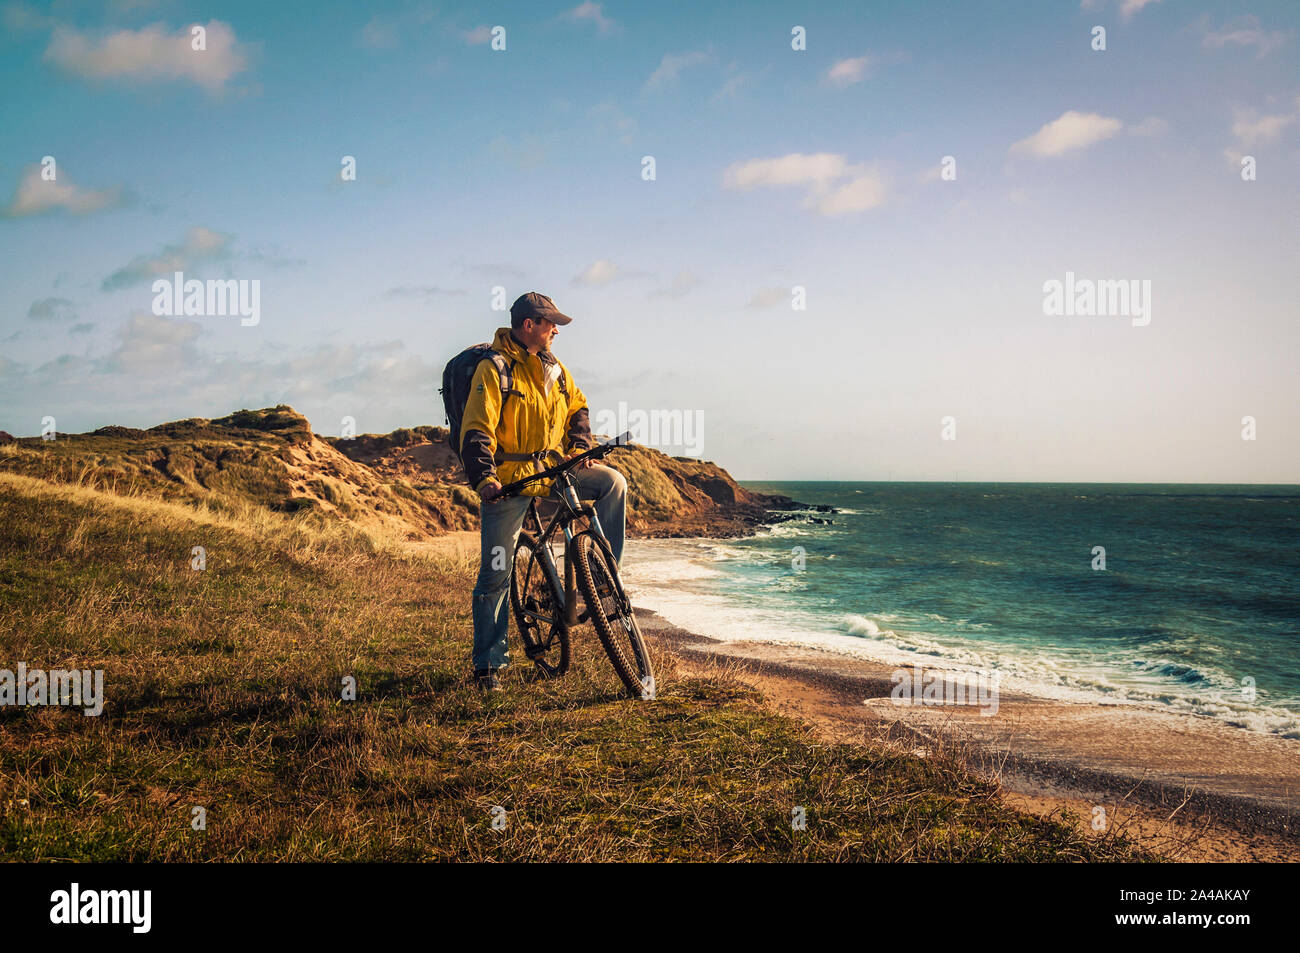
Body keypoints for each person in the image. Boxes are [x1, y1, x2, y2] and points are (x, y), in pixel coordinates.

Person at [460, 292, 628, 691]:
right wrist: (485, 479)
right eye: (550, 323)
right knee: (496, 574)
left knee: (613, 483)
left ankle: (603, 579)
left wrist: (581, 446)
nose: (556, 330)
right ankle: (488, 666)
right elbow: (476, 430)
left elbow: (578, 409)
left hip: (554, 471)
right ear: (528, 325)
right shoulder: (495, 368)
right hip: (510, 479)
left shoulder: (556, 369)